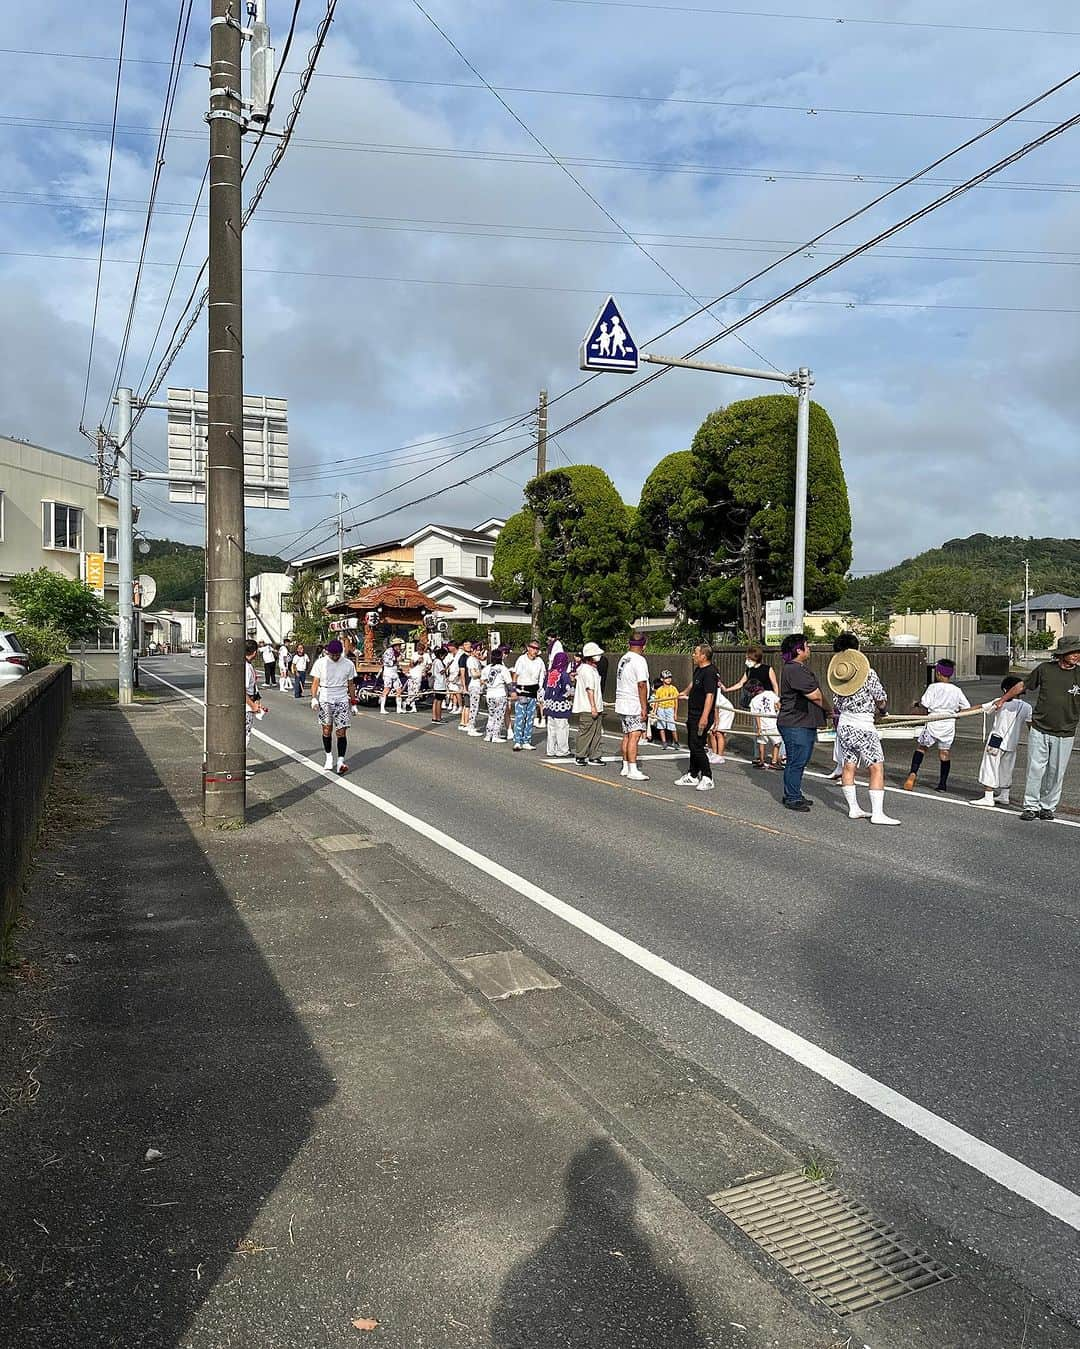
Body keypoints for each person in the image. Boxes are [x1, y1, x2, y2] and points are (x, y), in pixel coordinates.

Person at [996, 635, 1080, 821]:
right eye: (1073, 652)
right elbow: (1022, 686)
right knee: (1035, 768)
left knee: (1056, 772)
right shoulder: (1045, 670)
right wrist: (1003, 699)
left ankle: (1047, 806)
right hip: (1040, 727)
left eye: (1078, 652)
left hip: (1066, 731)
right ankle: (1031, 806)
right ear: (1062, 654)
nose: (1076, 655)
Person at [826, 647, 900, 825]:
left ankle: (853, 808)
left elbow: (836, 701)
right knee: (876, 767)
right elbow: (880, 697)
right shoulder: (868, 673)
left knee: (848, 765)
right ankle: (878, 813)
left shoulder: (837, 676)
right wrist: (882, 710)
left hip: (844, 725)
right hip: (864, 725)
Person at [777, 633, 829, 812]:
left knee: (799, 760)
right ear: (798, 650)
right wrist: (829, 709)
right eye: (806, 646)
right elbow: (814, 695)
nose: (809, 648)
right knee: (796, 760)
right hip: (795, 722)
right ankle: (792, 797)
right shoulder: (795, 669)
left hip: (801, 721)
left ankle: (794, 793)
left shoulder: (794, 668)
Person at [903, 658, 969, 793]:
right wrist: (955, 711)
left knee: (922, 748)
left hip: (933, 721)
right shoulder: (956, 690)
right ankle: (942, 784)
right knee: (944, 753)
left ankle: (912, 774)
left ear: (938, 673)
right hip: (948, 724)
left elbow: (925, 704)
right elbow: (966, 707)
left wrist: (917, 704)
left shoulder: (933, 687)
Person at [971, 676, 1033, 809]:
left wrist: (958, 713)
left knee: (990, 766)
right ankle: (1004, 795)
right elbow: (1031, 726)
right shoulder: (1027, 707)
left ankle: (988, 797)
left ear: (1006, 689)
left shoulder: (1000, 702)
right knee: (1007, 768)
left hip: (996, 740)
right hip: (1012, 743)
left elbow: (981, 708)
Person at [310, 638, 357, 775]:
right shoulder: (321, 663)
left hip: (342, 698)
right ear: (328, 652)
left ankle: (341, 761)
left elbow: (351, 684)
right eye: (332, 655)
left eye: (337, 655)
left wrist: (353, 703)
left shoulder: (348, 664)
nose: (335, 657)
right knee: (326, 729)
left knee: (341, 731)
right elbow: (315, 683)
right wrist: (314, 698)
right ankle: (329, 756)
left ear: (341, 652)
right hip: (325, 697)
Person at [674, 643, 717, 791]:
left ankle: (707, 776)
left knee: (697, 745)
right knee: (693, 744)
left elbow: (710, 695)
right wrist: (685, 692)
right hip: (693, 713)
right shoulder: (699, 669)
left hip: (701, 715)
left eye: (696, 653)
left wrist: (704, 717)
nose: (693, 655)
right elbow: (694, 683)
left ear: (703, 656)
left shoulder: (710, 672)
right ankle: (692, 775)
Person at [614, 633, 650, 780]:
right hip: (633, 702)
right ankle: (633, 769)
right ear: (644, 646)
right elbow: (641, 684)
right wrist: (644, 707)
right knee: (634, 736)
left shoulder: (624, 658)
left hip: (622, 701)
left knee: (627, 735)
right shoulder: (639, 660)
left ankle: (625, 765)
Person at [826, 632, 860, 780]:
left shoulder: (864, 671)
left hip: (858, 714)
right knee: (839, 740)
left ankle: (848, 775)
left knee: (853, 746)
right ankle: (840, 768)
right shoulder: (839, 669)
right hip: (842, 712)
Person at [573, 642, 605, 765]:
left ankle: (594, 756)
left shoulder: (592, 669)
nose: (599, 657)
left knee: (597, 733)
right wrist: (593, 707)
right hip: (588, 707)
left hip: (596, 706)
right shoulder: (586, 670)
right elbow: (589, 689)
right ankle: (580, 756)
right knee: (585, 732)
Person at [512, 638, 546, 751]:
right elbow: (515, 675)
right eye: (533, 648)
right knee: (520, 717)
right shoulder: (521, 660)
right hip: (522, 690)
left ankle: (527, 740)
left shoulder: (540, 661)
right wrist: (513, 690)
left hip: (534, 691)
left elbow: (542, 676)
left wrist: (540, 690)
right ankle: (517, 741)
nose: (535, 650)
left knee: (530, 717)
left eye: (537, 648)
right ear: (528, 648)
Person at [542, 652, 574, 757]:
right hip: (561, 704)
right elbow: (569, 690)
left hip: (549, 703)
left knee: (551, 728)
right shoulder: (564, 674)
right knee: (562, 727)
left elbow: (543, 688)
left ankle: (551, 750)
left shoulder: (549, 673)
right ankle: (562, 750)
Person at [748, 680, 783, 771]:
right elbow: (779, 704)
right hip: (773, 723)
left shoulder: (754, 700)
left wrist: (759, 728)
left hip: (762, 725)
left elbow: (757, 716)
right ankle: (774, 761)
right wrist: (779, 712)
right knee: (777, 743)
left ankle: (762, 761)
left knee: (761, 743)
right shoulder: (770, 693)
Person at [480, 646, 512, 742]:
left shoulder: (486, 668)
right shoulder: (503, 669)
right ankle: (495, 736)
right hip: (500, 693)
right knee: (499, 716)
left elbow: (482, 681)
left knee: (491, 715)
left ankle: (488, 734)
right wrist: (513, 692)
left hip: (490, 694)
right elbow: (509, 683)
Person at [244, 640, 265, 779]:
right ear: (255, 652)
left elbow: (253, 688)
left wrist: (257, 703)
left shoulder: (247, 665)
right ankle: (238, 768)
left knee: (246, 736)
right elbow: (242, 689)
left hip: (250, 703)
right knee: (244, 737)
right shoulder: (245, 667)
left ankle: (241, 767)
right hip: (245, 706)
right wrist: (252, 705)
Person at [650, 670, 680, 749]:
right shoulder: (659, 690)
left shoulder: (673, 689)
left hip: (670, 708)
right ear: (662, 679)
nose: (668, 679)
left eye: (670, 677)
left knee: (672, 726)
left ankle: (676, 742)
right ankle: (664, 742)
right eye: (666, 678)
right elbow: (656, 702)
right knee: (661, 726)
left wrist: (675, 713)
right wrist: (654, 712)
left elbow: (676, 701)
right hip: (661, 708)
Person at [465, 641, 485, 734]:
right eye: (477, 650)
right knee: (474, 707)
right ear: (472, 650)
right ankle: (471, 726)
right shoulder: (471, 660)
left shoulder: (476, 660)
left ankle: (471, 725)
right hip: (474, 685)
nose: (479, 652)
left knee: (475, 707)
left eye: (480, 650)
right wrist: (484, 673)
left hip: (478, 685)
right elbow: (473, 674)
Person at [380, 637, 403, 715]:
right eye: (398, 645)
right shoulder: (389, 651)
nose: (399, 647)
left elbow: (397, 664)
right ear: (395, 646)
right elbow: (386, 661)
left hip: (394, 673)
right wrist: (396, 660)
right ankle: (382, 708)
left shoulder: (398, 653)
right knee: (387, 689)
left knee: (399, 689)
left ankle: (399, 708)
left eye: (400, 645)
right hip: (388, 673)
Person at [430, 645, 449, 723]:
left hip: (436, 683)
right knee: (439, 701)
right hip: (440, 683)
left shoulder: (434, 661)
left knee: (436, 701)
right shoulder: (438, 662)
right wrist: (447, 666)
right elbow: (441, 671)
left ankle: (435, 717)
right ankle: (438, 718)